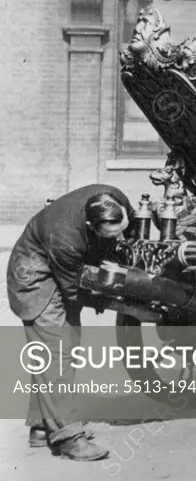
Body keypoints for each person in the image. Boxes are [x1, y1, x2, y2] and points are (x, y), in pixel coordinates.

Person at [6, 184, 134, 461]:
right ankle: (67, 438)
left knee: (67, 347)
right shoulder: (64, 236)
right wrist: (104, 298)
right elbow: (72, 289)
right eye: (112, 234)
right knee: (57, 354)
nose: (121, 235)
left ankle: (41, 426)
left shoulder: (114, 197)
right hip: (37, 279)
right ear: (90, 226)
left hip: (61, 269)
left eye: (123, 226)